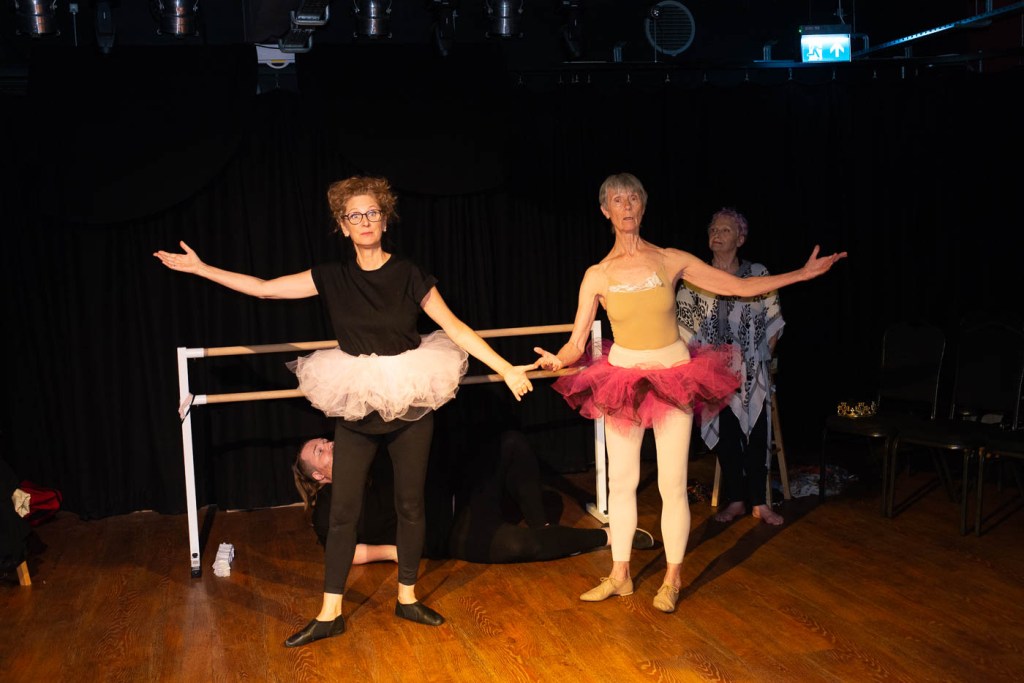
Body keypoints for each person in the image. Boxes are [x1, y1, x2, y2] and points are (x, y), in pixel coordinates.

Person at [154, 175, 537, 648]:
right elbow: (265, 289)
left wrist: (505, 368)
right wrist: (201, 269)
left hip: (410, 396)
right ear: (342, 224)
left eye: (372, 212)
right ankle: (329, 612)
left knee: (410, 504)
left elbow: (456, 328)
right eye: (355, 215)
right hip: (358, 398)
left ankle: (407, 596)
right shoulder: (332, 276)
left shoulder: (409, 273)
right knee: (343, 511)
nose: (365, 221)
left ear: (385, 219)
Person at [533, 173, 846, 614]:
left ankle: (672, 578)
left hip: (672, 376)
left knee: (671, 483)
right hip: (622, 378)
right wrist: (557, 361)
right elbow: (575, 341)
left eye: (633, 198)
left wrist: (802, 274)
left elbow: (738, 287)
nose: (626, 206)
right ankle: (620, 575)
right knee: (622, 482)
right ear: (605, 210)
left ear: (643, 206)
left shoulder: (670, 259)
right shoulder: (597, 275)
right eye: (617, 200)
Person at [291, 429, 656, 564]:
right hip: (452, 534)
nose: (328, 445)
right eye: (319, 451)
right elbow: (344, 552)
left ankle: (545, 528)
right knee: (519, 546)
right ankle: (610, 537)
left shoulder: (370, 455)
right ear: (318, 476)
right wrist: (396, 553)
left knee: (510, 443)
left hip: (462, 491)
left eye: (325, 441)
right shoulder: (328, 509)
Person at [676, 208, 785, 526]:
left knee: (758, 433)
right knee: (726, 433)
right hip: (713, 373)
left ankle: (760, 502)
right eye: (713, 229)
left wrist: (758, 364)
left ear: (741, 238)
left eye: (725, 230)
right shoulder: (695, 279)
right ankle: (736, 499)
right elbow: (682, 327)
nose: (716, 234)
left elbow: (773, 321)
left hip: (751, 369)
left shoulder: (758, 273)